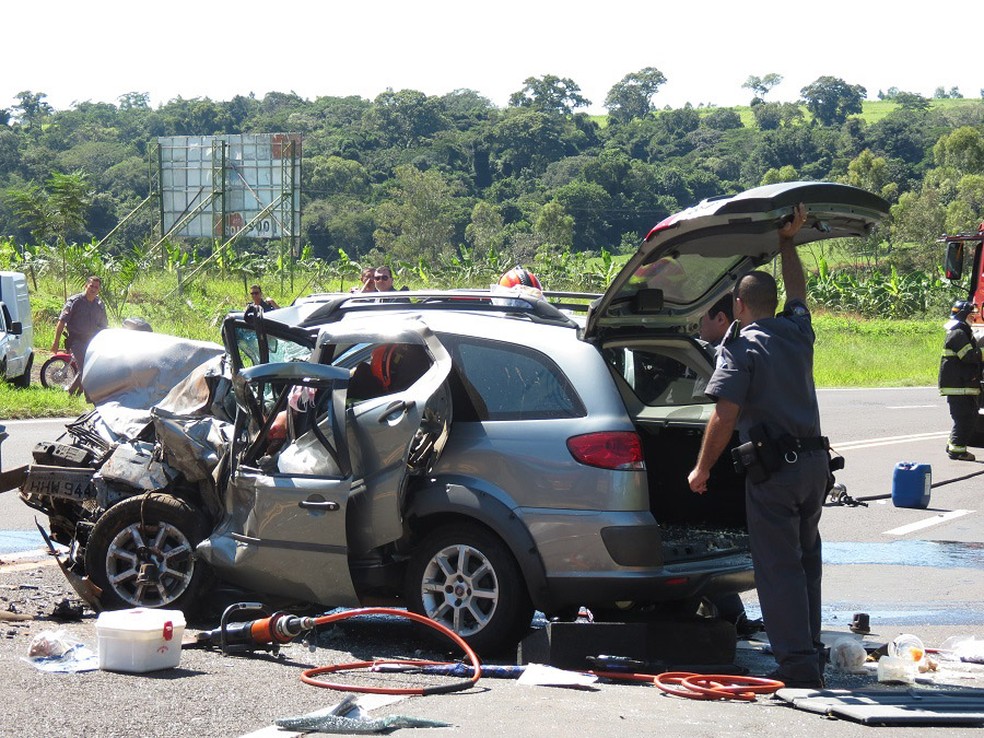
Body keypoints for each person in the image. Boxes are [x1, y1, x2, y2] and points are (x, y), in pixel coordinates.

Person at [688, 203, 829, 689]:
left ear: (740, 307)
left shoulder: (741, 347)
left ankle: (798, 669)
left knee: (779, 570)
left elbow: (725, 413)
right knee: (806, 561)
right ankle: (810, 652)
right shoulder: (798, 331)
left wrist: (701, 469)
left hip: (776, 475)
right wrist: (788, 240)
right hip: (815, 468)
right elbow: (798, 289)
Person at [696, 293, 763, 639]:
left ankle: (732, 613)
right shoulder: (723, 351)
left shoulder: (732, 353)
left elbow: (723, 414)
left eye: (703, 318)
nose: (697, 325)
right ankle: (731, 613)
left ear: (722, 318)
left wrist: (701, 468)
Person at [938, 299, 981, 461]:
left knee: (964, 417)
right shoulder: (958, 333)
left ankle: (953, 445)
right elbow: (968, 357)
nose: (974, 318)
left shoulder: (961, 331)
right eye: (971, 315)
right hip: (959, 386)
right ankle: (958, 451)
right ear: (964, 315)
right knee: (966, 418)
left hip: (961, 385)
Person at [52, 275, 109, 395]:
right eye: (91, 286)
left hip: (93, 341)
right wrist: (55, 342)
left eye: (96, 287)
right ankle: (86, 397)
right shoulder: (75, 301)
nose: (93, 289)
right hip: (76, 341)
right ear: (86, 286)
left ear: (99, 290)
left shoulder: (99, 304)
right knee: (85, 369)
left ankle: (74, 392)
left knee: (92, 369)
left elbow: (104, 326)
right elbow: (62, 321)